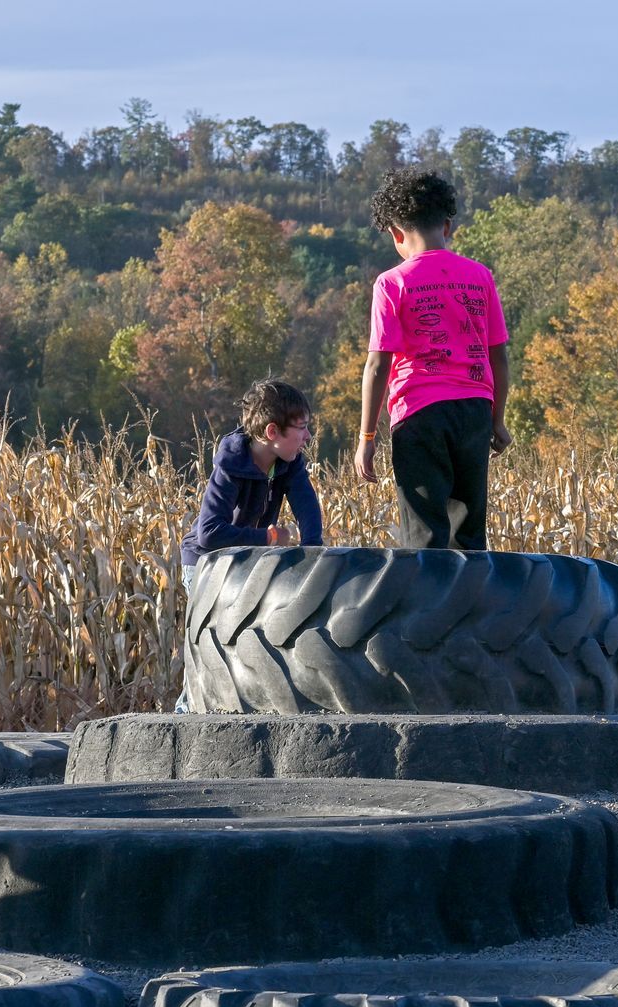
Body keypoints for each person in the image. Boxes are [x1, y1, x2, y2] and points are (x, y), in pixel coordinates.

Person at [353, 168, 511, 549]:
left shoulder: (392, 283)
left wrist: (367, 436)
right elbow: (499, 356)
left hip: (419, 413)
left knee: (424, 535)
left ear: (395, 233)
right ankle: (471, 607)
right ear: (448, 225)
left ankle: (427, 607)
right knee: (469, 533)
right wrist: (498, 419)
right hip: (474, 410)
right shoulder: (479, 276)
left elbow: (378, 366)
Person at [176, 380, 324, 710]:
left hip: (246, 560)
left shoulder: (288, 463)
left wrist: (314, 550)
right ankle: (186, 710)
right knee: (212, 640)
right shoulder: (231, 464)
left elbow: (307, 505)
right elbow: (210, 533)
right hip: (205, 562)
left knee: (249, 638)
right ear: (273, 431)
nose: (307, 437)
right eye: (301, 428)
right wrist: (268, 538)